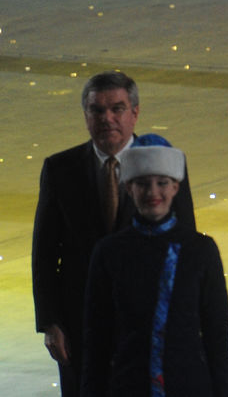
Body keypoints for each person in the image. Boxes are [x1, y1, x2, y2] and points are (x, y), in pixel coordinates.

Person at [32, 71, 196, 397]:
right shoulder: (60, 169)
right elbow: (45, 253)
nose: (107, 118)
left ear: (135, 113)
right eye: (97, 110)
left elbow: (185, 245)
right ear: (86, 116)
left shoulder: (166, 165)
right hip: (80, 326)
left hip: (147, 322)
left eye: (117, 109)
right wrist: (50, 323)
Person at [80, 145, 228, 397]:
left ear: (175, 187)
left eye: (162, 183)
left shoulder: (200, 250)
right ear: (129, 188)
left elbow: (217, 337)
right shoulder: (109, 252)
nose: (153, 192)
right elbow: (97, 340)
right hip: (129, 386)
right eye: (142, 183)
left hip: (190, 387)